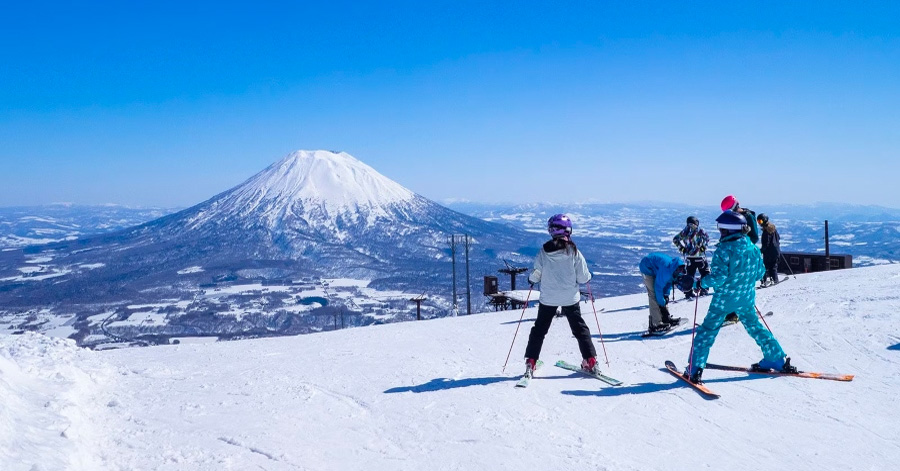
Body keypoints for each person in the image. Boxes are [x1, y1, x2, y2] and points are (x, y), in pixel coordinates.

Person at [683, 210, 796, 384]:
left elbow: (719, 278)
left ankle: (695, 369)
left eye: (721, 229)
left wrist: (702, 283)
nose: (720, 232)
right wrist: (743, 281)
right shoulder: (752, 248)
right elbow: (759, 273)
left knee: (707, 331)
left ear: (728, 231)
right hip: (746, 297)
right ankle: (775, 359)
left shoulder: (724, 250)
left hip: (724, 300)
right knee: (755, 327)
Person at [523, 214, 599, 378]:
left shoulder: (544, 251)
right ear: (569, 231)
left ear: (551, 231)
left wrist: (531, 280)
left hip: (548, 298)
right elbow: (584, 277)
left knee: (539, 330)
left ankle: (531, 361)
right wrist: (588, 277)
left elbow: (537, 273)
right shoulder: (573, 251)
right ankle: (590, 361)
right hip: (570, 298)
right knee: (580, 329)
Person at [720, 195, 760, 323]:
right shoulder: (736, 218)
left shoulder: (748, 217)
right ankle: (732, 313)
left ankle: (737, 312)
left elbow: (754, 237)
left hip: (744, 254)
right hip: (735, 253)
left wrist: (742, 240)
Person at [638, 252, 687, 335]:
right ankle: (655, 324)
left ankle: (665, 318)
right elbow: (658, 288)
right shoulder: (667, 272)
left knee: (662, 296)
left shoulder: (674, 270)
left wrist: (666, 296)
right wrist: (662, 301)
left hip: (655, 268)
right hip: (646, 268)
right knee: (653, 294)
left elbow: (668, 283)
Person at [672, 216, 711, 299]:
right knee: (704, 273)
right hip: (700, 256)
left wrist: (682, 248)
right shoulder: (700, 230)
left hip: (690, 257)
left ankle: (688, 292)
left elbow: (675, 239)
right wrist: (703, 247)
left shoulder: (685, 231)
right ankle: (704, 289)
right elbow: (707, 238)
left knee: (690, 275)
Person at [757, 213, 781, 287]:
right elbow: (778, 238)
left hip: (769, 252)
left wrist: (760, 251)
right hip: (776, 251)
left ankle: (764, 281)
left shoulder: (766, 232)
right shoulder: (773, 229)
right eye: (758, 222)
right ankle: (774, 279)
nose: (759, 223)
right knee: (773, 266)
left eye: (760, 221)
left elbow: (766, 243)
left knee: (764, 267)